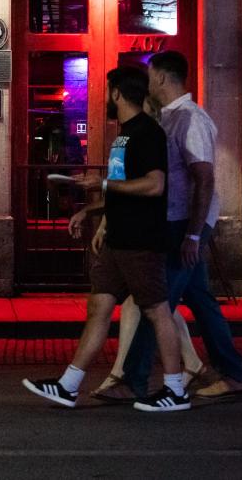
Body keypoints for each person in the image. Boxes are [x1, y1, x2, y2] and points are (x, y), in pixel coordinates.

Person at [22, 67, 191, 412]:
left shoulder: (148, 132)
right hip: (119, 238)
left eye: (107, 91)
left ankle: (176, 390)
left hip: (141, 239)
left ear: (117, 94)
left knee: (158, 311)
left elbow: (154, 185)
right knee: (98, 306)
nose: (104, 98)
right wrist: (94, 212)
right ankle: (68, 385)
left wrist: (100, 186)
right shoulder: (124, 134)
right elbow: (123, 187)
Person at [118, 50, 242, 400]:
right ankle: (234, 374)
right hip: (178, 221)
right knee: (202, 301)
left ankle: (134, 378)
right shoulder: (170, 118)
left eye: (150, 75)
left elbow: (203, 178)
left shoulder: (191, 119)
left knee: (157, 302)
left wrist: (193, 234)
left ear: (161, 77)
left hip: (184, 223)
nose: (147, 82)